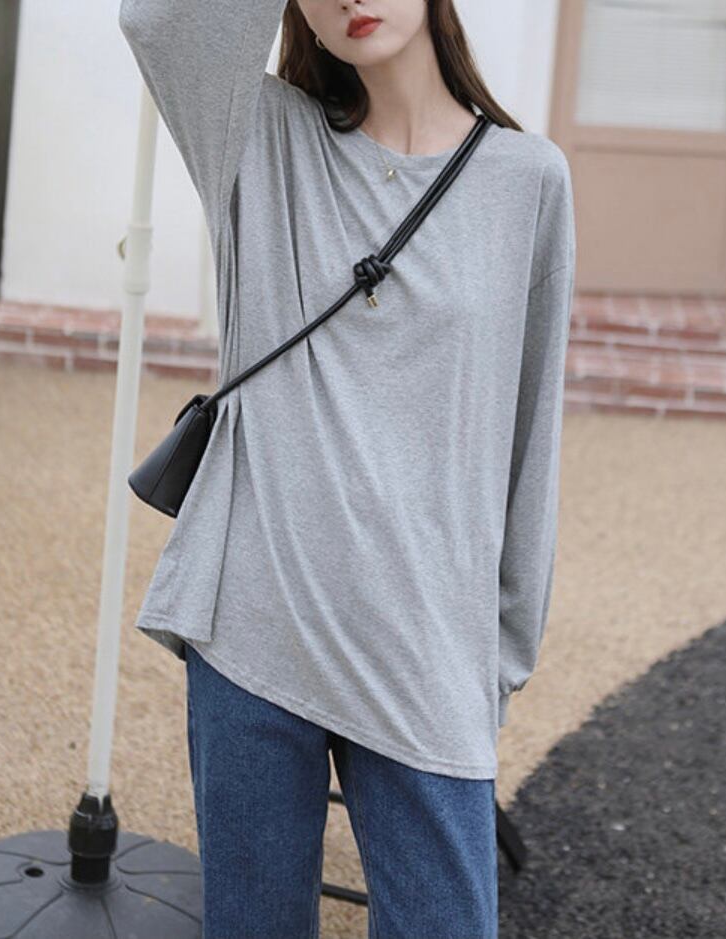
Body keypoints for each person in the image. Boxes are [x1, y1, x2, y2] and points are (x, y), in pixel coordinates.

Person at [118, 1, 576, 936]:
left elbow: (530, 436)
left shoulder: (527, 180)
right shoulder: (259, 139)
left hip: (427, 646)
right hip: (255, 622)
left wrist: (498, 655)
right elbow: (159, 19)